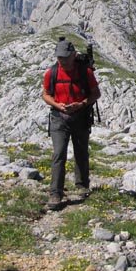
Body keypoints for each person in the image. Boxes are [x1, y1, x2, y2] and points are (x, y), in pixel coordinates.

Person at [42, 39, 101, 209]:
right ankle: (55, 193)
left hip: (80, 116)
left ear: (74, 56)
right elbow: (45, 94)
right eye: (60, 59)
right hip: (59, 117)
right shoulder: (51, 73)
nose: (63, 62)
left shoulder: (85, 72)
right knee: (59, 153)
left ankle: (82, 186)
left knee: (81, 151)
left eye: (66, 58)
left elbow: (96, 94)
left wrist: (81, 104)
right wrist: (57, 105)